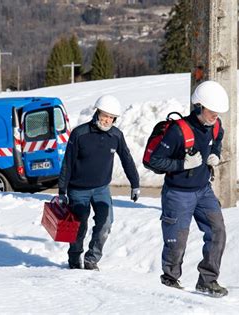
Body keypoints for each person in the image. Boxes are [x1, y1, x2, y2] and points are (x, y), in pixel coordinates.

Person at [148, 80, 229, 297]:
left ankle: (207, 280)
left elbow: (218, 139)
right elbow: (155, 161)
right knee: (177, 242)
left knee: (218, 231)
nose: (216, 116)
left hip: (203, 190)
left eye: (219, 112)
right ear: (199, 106)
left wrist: (216, 154)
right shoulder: (178, 131)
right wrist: (182, 165)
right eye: (212, 111)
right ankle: (170, 282)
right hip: (177, 194)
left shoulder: (216, 125)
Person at [58, 94, 140, 271]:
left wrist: (135, 184)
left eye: (111, 118)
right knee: (79, 226)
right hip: (78, 190)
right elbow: (68, 162)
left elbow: (126, 158)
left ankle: (91, 259)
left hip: (101, 189)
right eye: (105, 115)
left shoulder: (116, 135)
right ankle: (74, 258)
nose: (107, 120)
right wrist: (62, 191)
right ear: (97, 112)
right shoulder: (80, 133)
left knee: (106, 223)